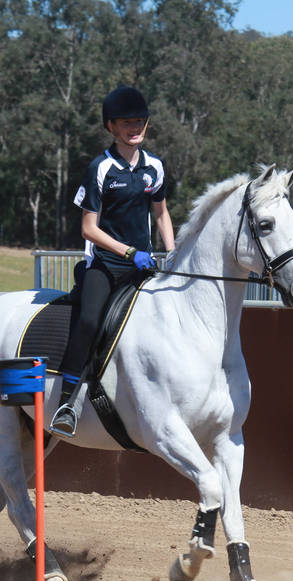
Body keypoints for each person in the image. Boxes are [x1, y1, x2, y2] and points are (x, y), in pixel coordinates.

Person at [50, 85, 175, 436]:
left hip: (144, 266)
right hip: (106, 265)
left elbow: (162, 214)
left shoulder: (155, 167)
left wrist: (172, 252)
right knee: (90, 322)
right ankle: (67, 401)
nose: (134, 127)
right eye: (126, 122)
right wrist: (129, 252)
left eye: (140, 121)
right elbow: (89, 228)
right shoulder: (100, 168)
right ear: (111, 127)